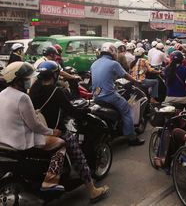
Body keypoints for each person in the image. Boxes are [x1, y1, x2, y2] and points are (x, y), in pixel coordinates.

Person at [29, 61, 109, 203]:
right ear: (55, 74)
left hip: (35, 132)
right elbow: (73, 112)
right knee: (80, 158)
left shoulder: (34, 89)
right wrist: (88, 110)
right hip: (56, 132)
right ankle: (93, 191)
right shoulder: (56, 91)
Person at [0, 62, 66, 191]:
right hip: (20, 141)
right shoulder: (23, 97)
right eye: (26, 79)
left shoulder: (2, 94)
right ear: (17, 80)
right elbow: (35, 125)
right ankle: (50, 181)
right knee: (61, 144)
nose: (29, 81)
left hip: (3, 140)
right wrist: (52, 131)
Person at [91, 42, 144, 146]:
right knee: (126, 108)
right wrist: (136, 81)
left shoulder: (94, 64)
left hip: (96, 96)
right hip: (108, 96)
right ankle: (131, 137)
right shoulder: (113, 64)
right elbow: (125, 75)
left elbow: (103, 78)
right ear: (113, 52)